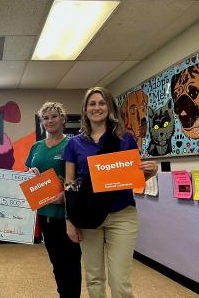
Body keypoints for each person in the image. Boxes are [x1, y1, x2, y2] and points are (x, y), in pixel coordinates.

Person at [64, 87, 158, 298]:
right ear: (85, 109)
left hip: (121, 214)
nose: (97, 107)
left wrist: (150, 173)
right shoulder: (74, 143)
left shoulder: (125, 139)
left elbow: (134, 178)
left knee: (120, 281)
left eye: (101, 103)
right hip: (88, 216)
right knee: (94, 278)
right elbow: (70, 185)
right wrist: (69, 220)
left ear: (110, 107)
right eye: (92, 104)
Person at [26, 102, 82, 298]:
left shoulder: (73, 143)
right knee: (56, 262)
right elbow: (27, 173)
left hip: (67, 214)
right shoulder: (36, 147)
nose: (50, 121)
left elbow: (81, 177)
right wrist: (30, 173)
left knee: (71, 263)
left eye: (54, 116)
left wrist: (66, 195)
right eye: (46, 118)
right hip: (44, 213)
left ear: (63, 119)